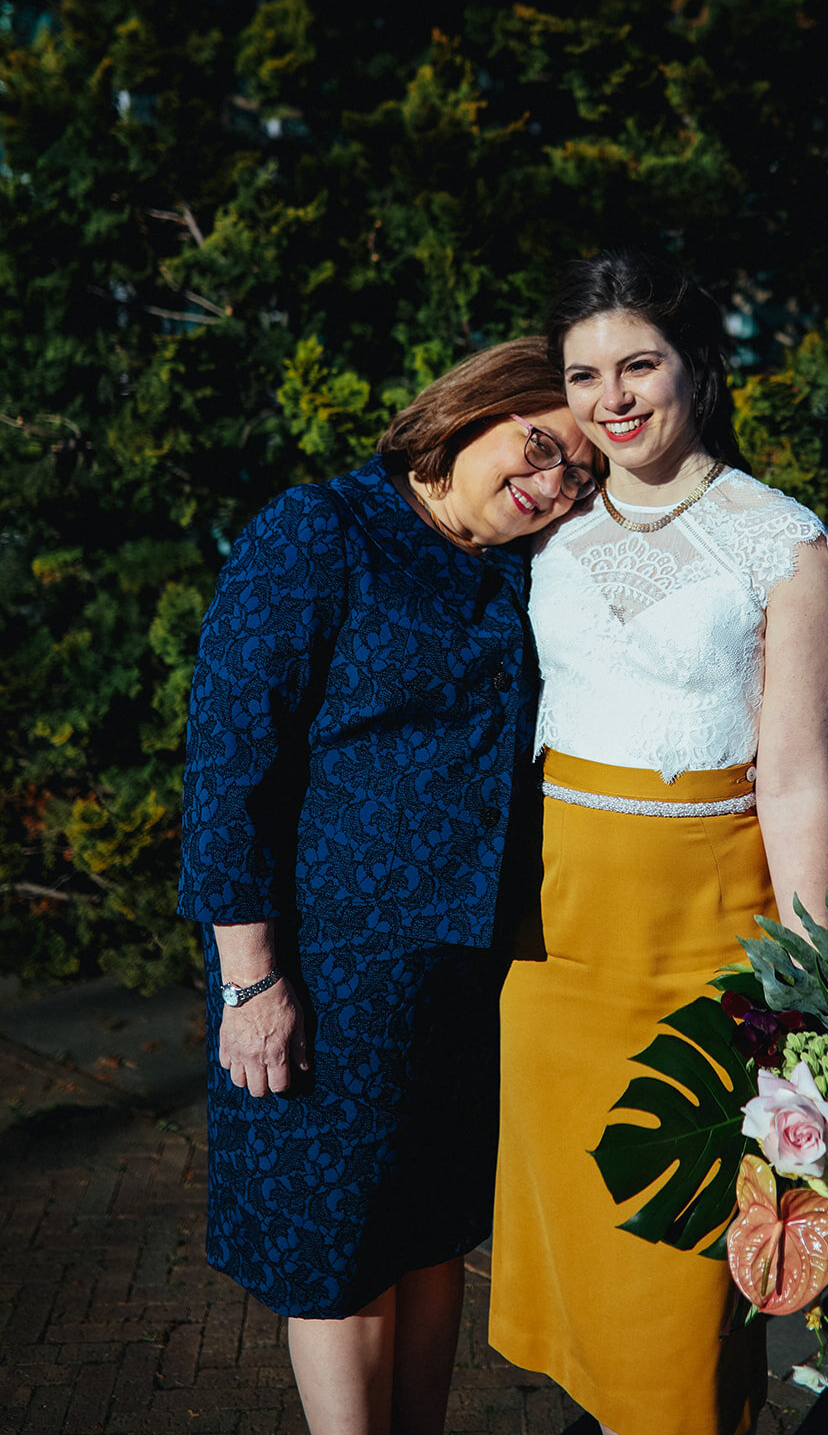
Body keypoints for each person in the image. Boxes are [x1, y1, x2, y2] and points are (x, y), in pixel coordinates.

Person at [178, 338, 595, 1435]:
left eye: (578, 476)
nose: (551, 484)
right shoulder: (322, 529)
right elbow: (229, 765)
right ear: (476, 409)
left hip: (462, 973)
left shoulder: (522, 564)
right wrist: (249, 981)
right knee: (342, 1253)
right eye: (543, 444)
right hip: (328, 971)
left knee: (428, 1233)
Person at [488, 252, 828, 1435]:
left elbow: (793, 776)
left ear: (694, 364)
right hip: (555, 942)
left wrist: (810, 987)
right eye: (584, 373)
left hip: (700, 944)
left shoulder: (778, 541)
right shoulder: (545, 523)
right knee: (580, 1259)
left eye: (637, 362)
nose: (612, 397)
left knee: (684, 1272)